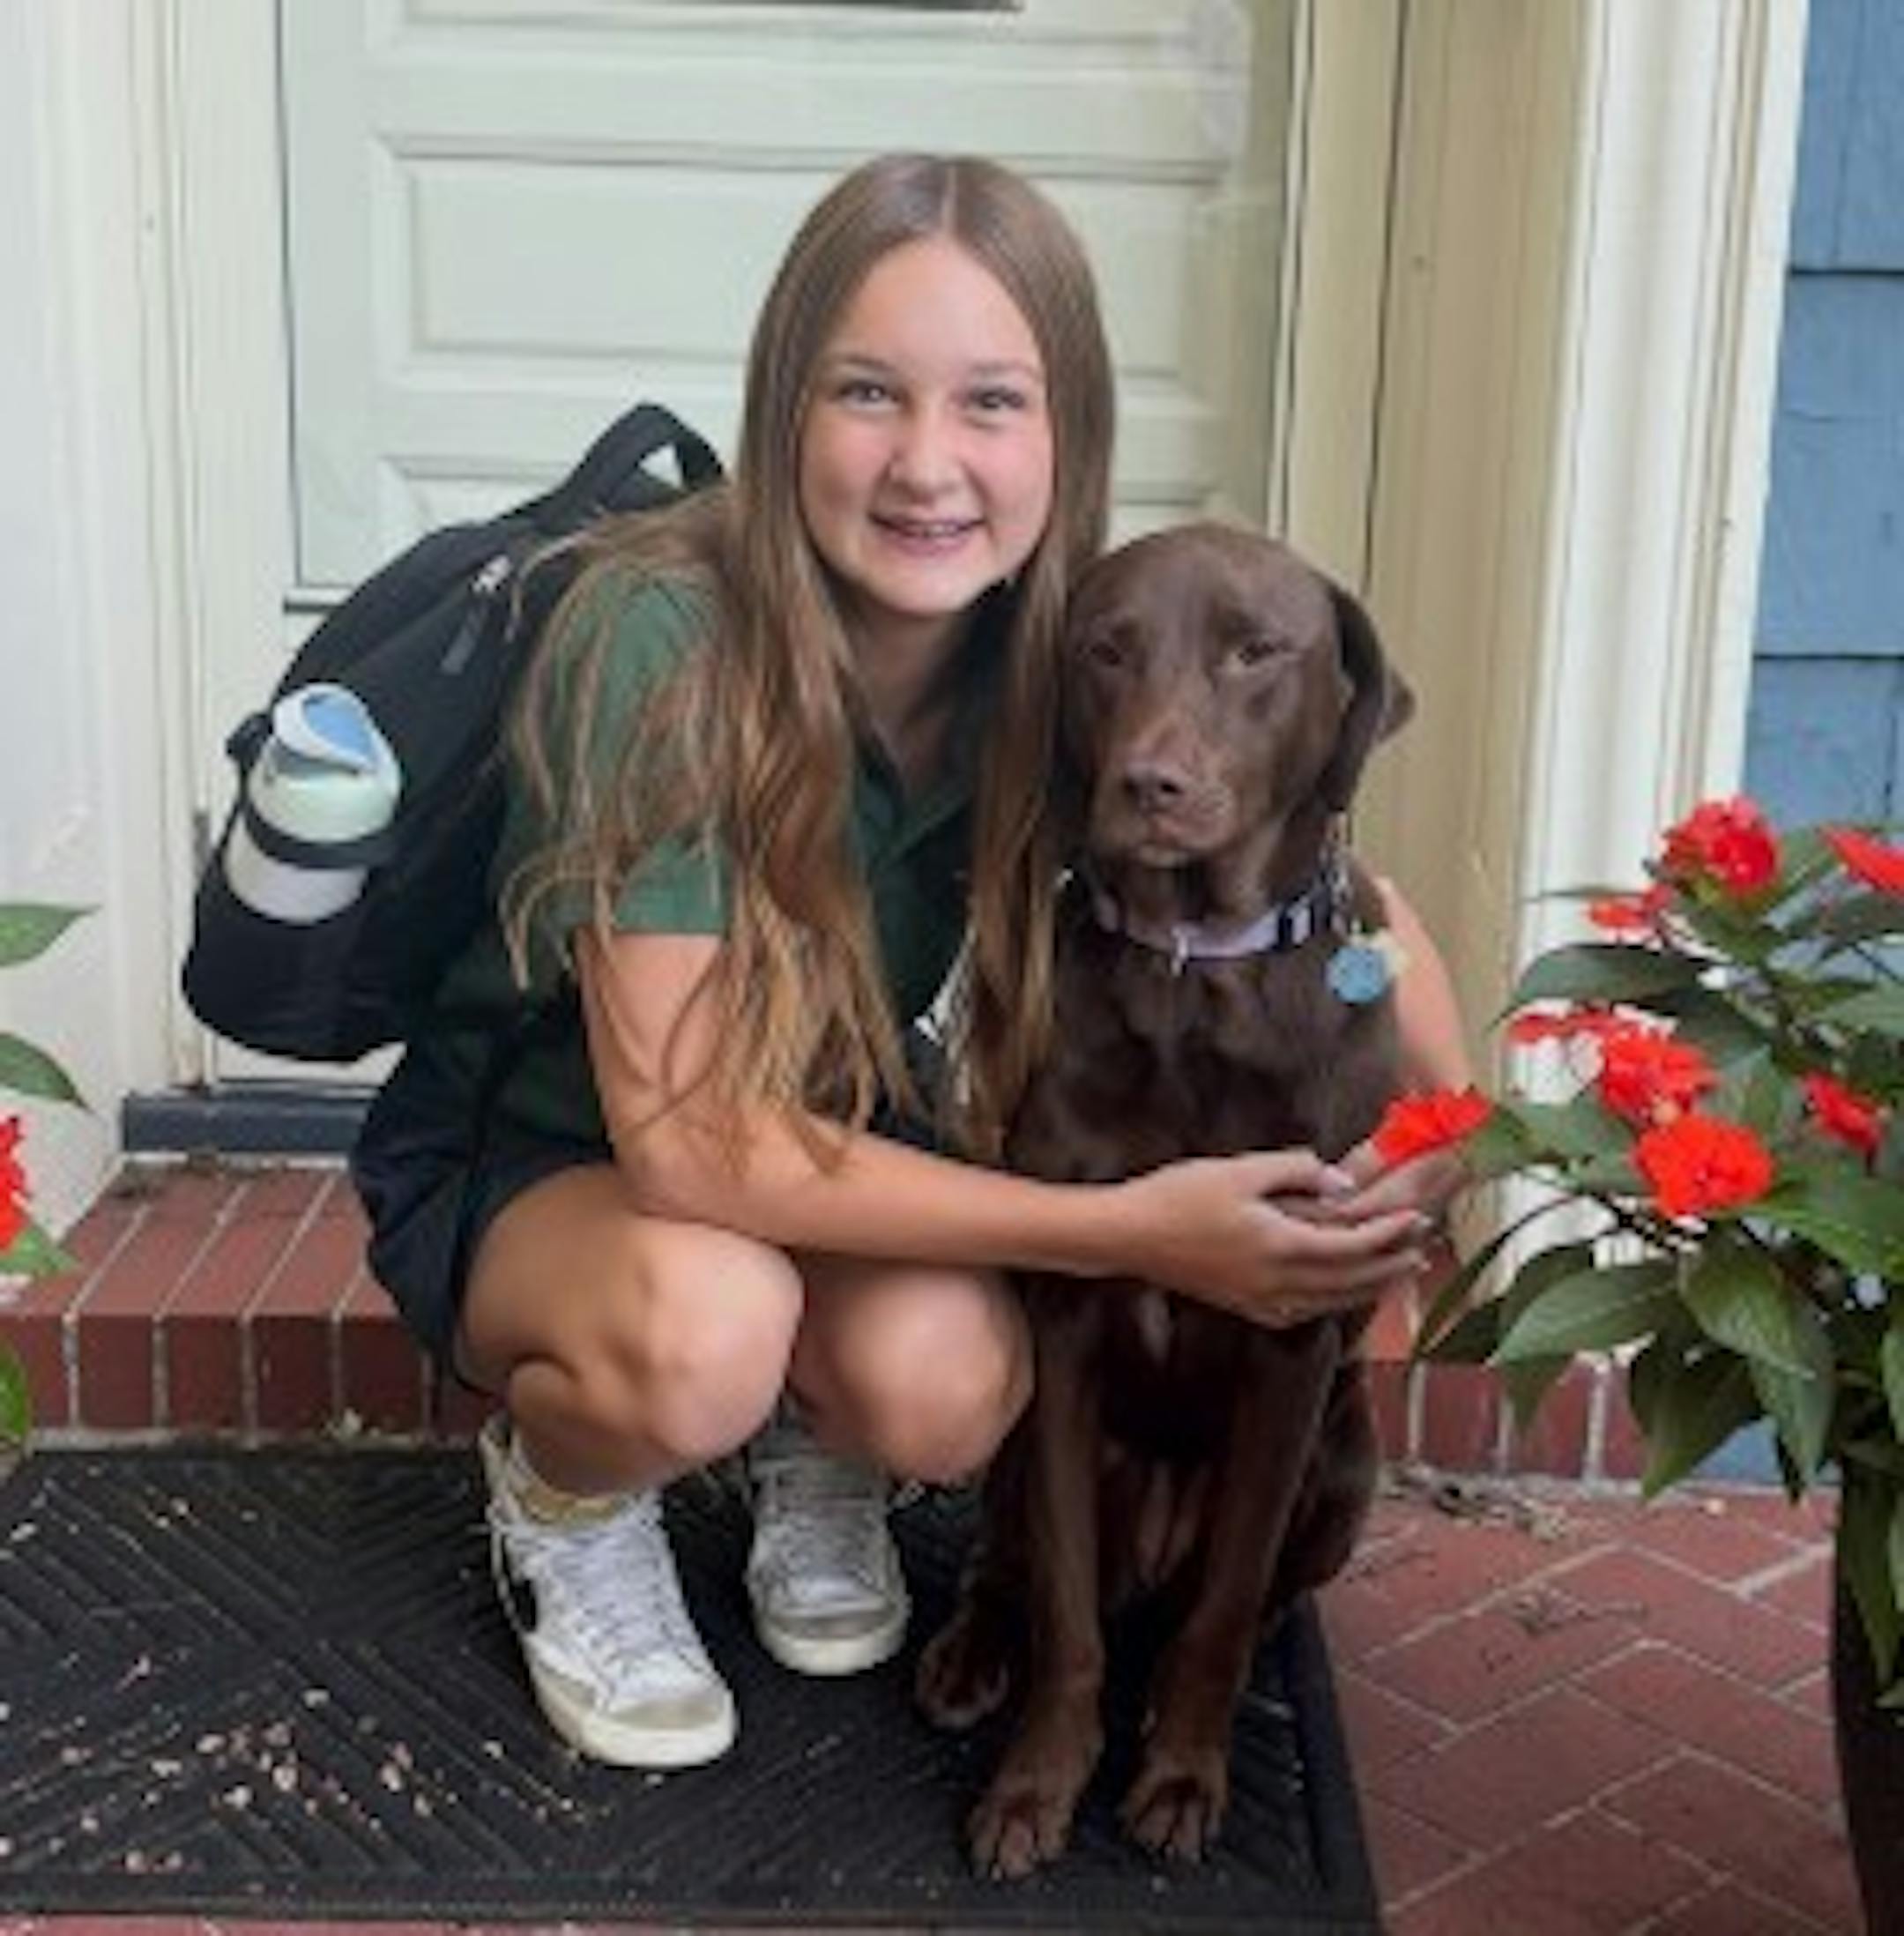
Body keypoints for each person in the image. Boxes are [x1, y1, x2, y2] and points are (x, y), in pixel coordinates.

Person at [350, 153, 1469, 1774]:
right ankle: (569, 1494)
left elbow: (1347, 891)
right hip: (564, 1164)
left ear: (1065, 438)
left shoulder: (1063, 656)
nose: (928, 464)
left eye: (993, 405)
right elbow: (692, 1144)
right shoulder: (662, 641)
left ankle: (820, 1440)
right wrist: (1118, 1231)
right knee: (704, 1324)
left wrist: (1452, 1144)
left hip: (831, 1155)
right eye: (868, 393)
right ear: (782, 410)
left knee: (947, 1387)